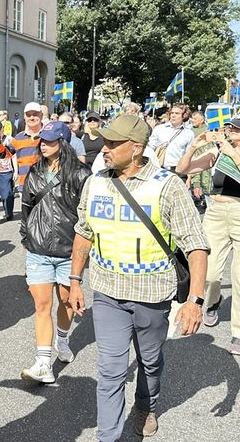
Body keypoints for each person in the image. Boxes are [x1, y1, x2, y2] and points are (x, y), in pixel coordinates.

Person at [68, 115, 209, 440]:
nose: (104, 149)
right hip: (108, 294)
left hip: (152, 296)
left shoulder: (167, 185)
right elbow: (83, 232)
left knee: (150, 361)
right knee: (110, 371)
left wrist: (195, 301)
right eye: (104, 142)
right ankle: (108, 437)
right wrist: (74, 280)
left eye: (112, 143)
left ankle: (146, 406)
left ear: (135, 148)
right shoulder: (95, 183)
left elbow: (196, 246)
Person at [176, 111, 240, 355]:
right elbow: (182, 168)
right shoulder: (218, 152)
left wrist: (234, 155)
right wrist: (194, 146)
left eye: (238, 128)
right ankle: (213, 300)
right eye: (231, 127)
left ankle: (239, 333)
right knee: (208, 272)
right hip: (216, 212)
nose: (232, 131)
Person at [19, 121, 90, 384]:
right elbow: (26, 207)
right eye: (42, 140)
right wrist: (27, 236)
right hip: (38, 250)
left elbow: (87, 217)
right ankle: (42, 363)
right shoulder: (35, 171)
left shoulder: (81, 175)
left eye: (50, 140)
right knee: (41, 305)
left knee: (67, 302)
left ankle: (63, 339)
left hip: (69, 251)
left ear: (63, 143)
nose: (43, 145)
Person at [7, 102, 45, 192]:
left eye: (35, 114)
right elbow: (3, 155)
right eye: (28, 115)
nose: (31, 118)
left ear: (41, 115)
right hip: (25, 187)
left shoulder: (49, 135)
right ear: (24, 117)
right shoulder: (18, 138)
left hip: (45, 187)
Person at [148, 103, 194, 173]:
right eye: (172, 113)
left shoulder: (188, 134)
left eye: (177, 113)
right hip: (159, 168)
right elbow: (151, 147)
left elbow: (189, 155)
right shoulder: (159, 129)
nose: (173, 115)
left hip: (178, 170)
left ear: (184, 116)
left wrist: (189, 175)